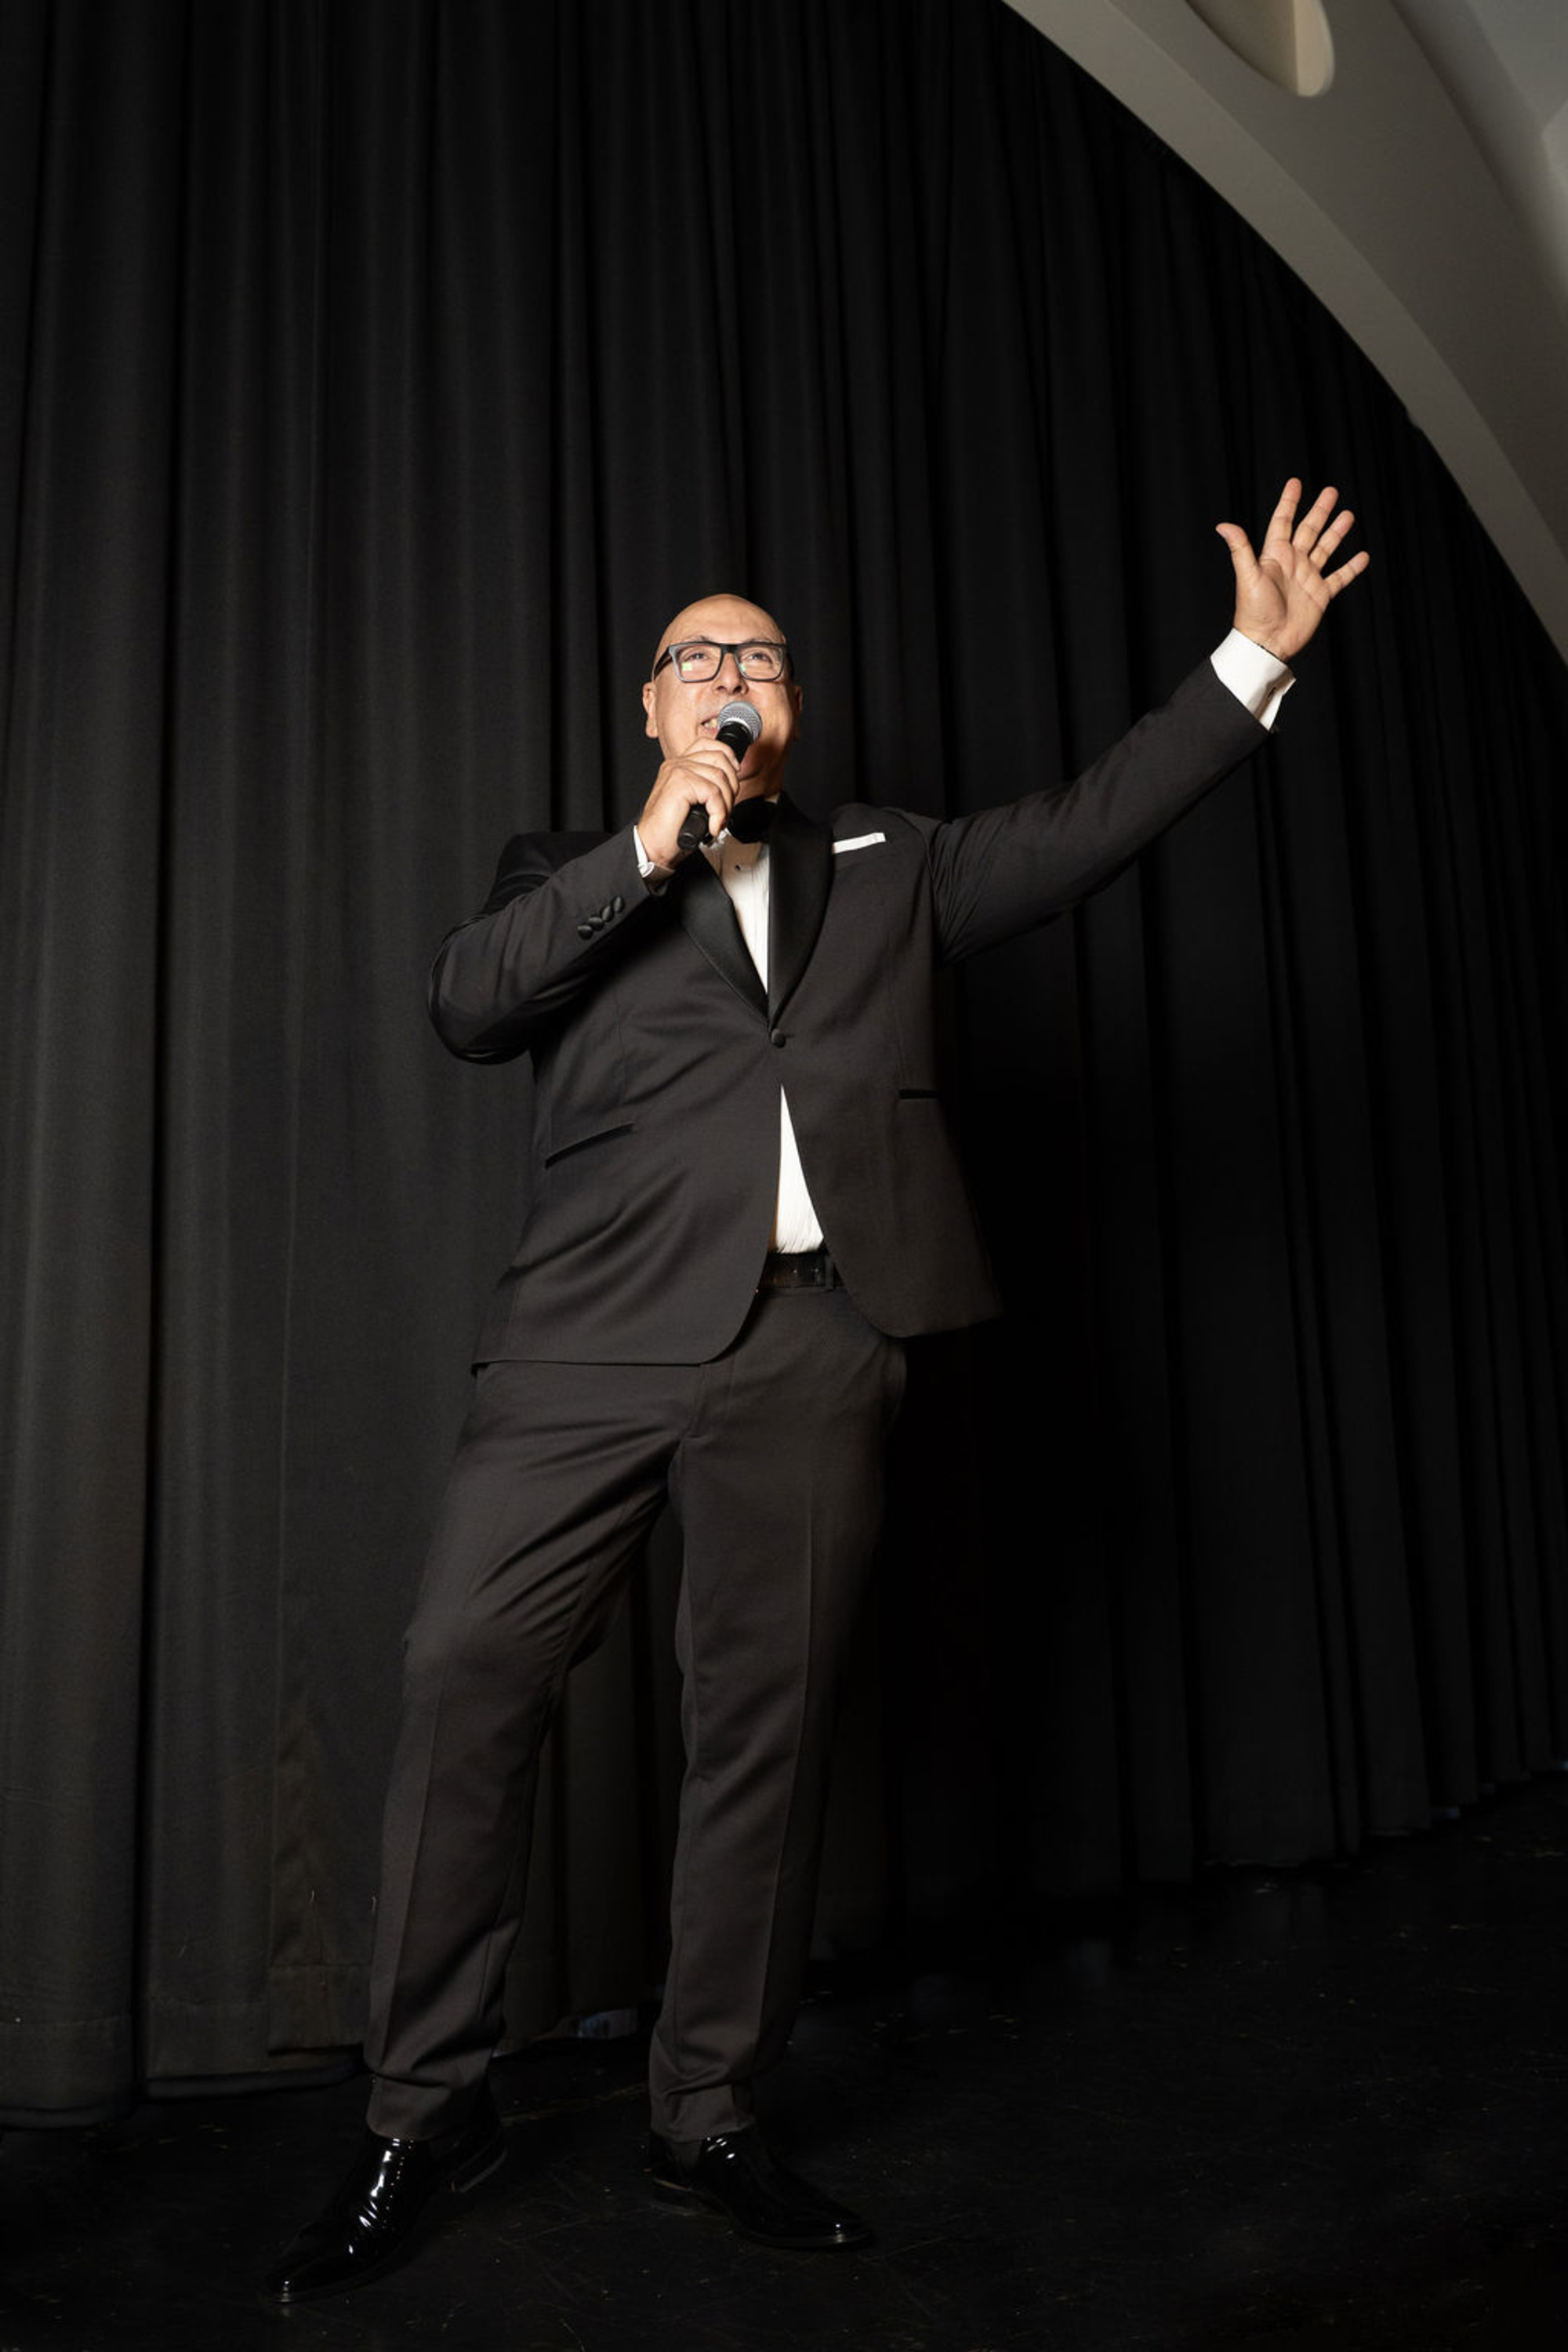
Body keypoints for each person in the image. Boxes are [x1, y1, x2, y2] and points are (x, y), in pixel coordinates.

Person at [263, 481, 1369, 2301]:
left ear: (795, 702)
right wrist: (649, 850)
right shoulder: (566, 866)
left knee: (759, 1748)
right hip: (587, 1344)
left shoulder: (892, 861)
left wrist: (1251, 658)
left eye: (760, 656)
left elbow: (1091, 825)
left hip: (816, 1341)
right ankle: (420, 2110)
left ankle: (704, 2114)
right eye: (700, 657)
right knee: (465, 1670)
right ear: (651, 706)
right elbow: (467, 1009)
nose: (732, 675)